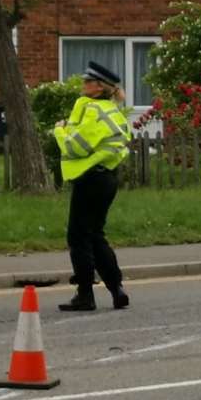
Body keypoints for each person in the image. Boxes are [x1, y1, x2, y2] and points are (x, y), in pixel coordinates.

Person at [53, 61, 132, 312]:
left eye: (88, 82)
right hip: (107, 178)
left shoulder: (92, 110)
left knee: (78, 237)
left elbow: (76, 147)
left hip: (89, 179)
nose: (82, 84)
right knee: (96, 234)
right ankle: (116, 288)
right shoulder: (112, 110)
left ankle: (85, 294)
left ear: (99, 88)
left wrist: (59, 132)